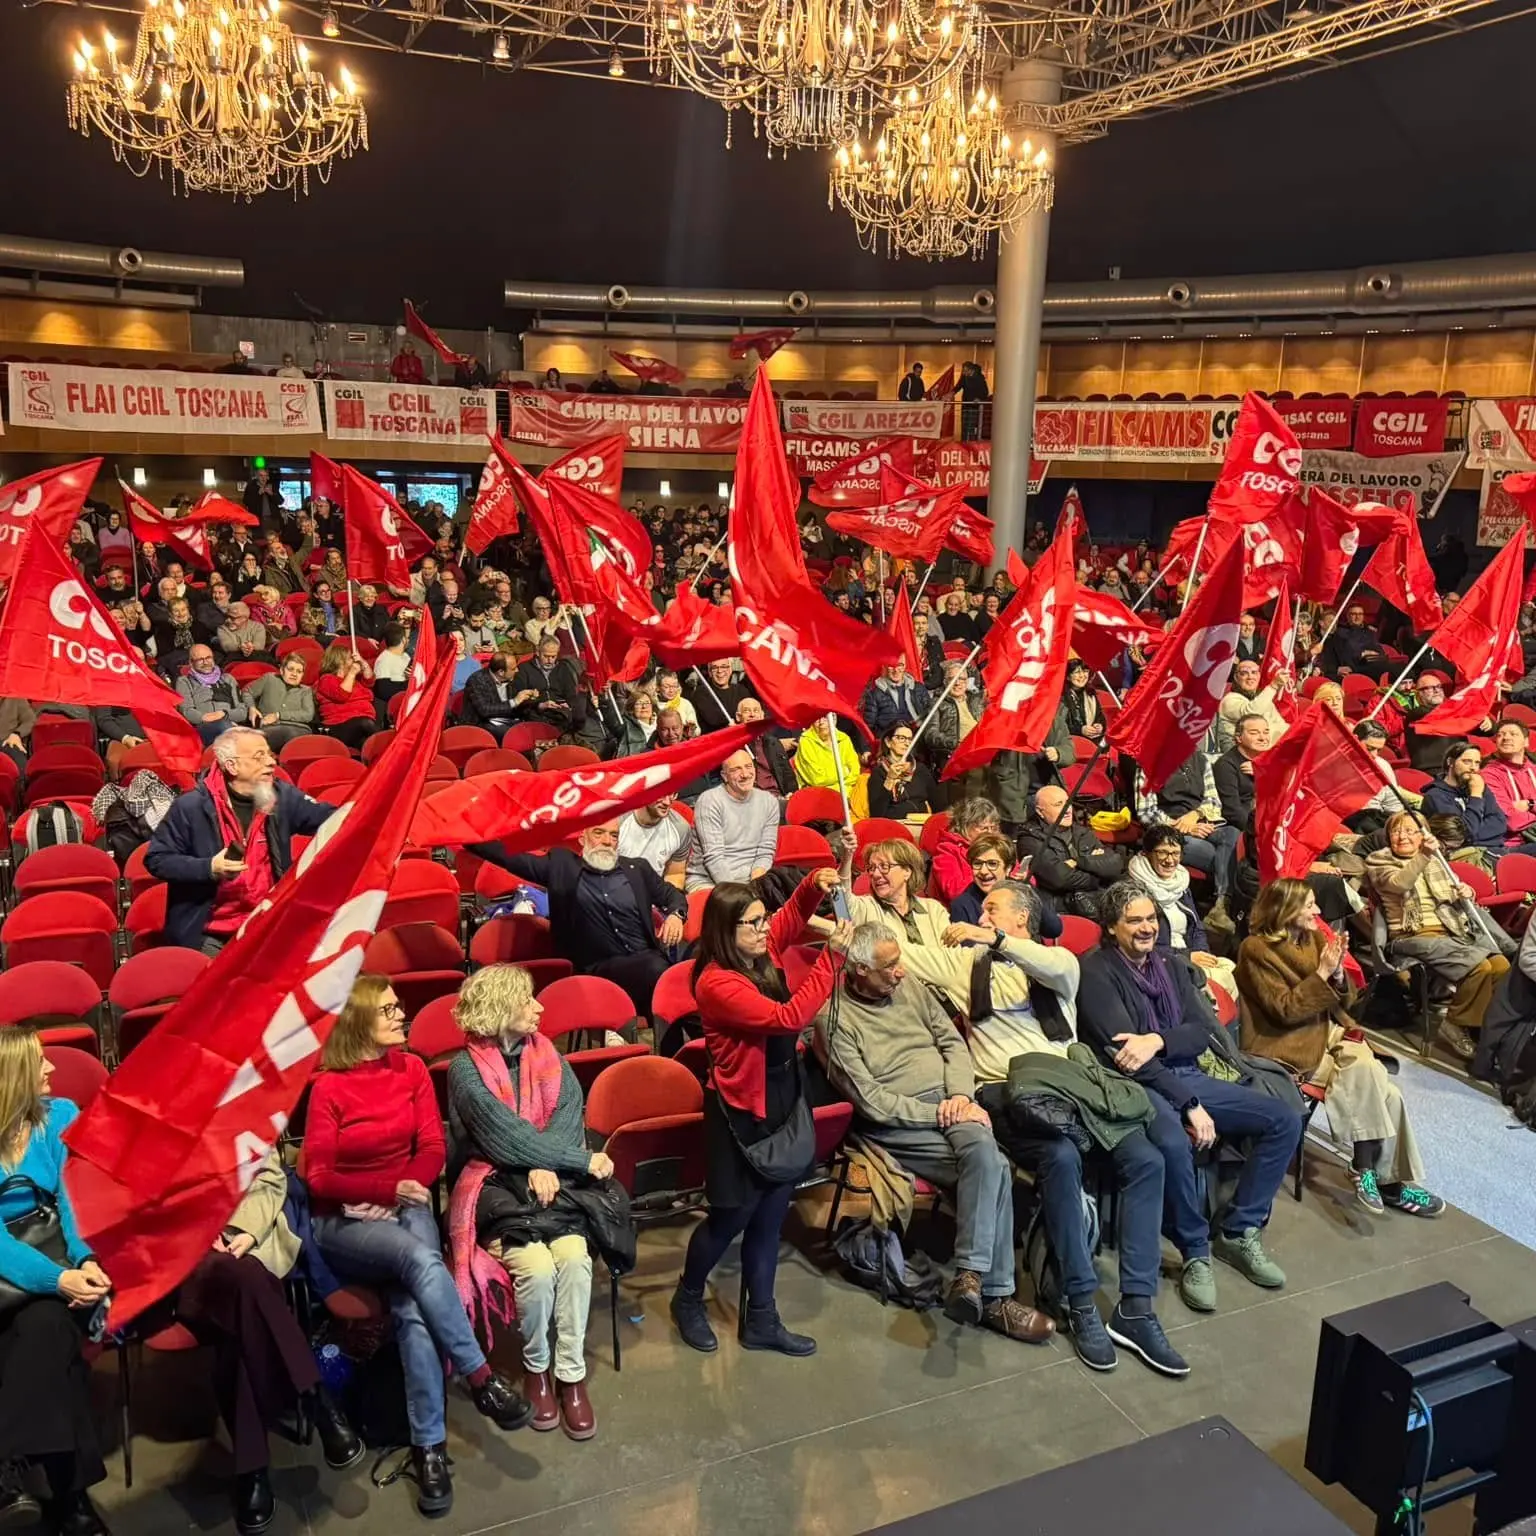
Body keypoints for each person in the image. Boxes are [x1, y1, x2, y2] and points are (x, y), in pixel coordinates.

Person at [905, 885, 1187, 1376]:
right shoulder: (966, 965)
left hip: (1072, 1085)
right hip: (1005, 1090)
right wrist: (828, 917)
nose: (980, 913)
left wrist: (991, 937)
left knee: (1147, 1159)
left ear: (1021, 921)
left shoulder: (1062, 966)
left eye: (993, 908)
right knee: (1060, 1157)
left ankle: (1136, 1308)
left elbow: (1052, 968)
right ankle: (1080, 1301)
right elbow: (894, 950)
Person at [305, 976, 532, 1516]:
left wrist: (407, 1187)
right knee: (418, 1259)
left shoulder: (410, 1071)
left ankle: (428, 1448)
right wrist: (382, 1190)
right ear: (359, 1021)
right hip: (344, 1222)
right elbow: (316, 1175)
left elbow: (431, 1144)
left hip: (405, 1206)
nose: (400, 1014)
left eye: (398, 1006)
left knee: (411, 1306)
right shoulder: (328, 1088)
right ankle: (481, 1377)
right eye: (388, 1009)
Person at [819, 924, 1054, 1343]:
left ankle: (970, 1279)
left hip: (952, 1102)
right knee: (994, 1165)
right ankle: (997, 1297)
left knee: (988, 1160)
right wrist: (941, 1112)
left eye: (899, 962)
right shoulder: (833, 1020)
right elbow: (871, 1101)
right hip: (898, 1122)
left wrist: (962, 1096)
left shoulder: (908, 987)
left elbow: (952, 1041)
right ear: (858, 969)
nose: (900, 973)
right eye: (888, 967)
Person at [1078, 884, 1301, 1314]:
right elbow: (1129, 1060)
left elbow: (1202, 1033)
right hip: (1138, 1086)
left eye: (1151, 919)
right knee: (1174, 1143)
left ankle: (1239, 1230)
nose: (1146, 928)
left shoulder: (1170, 963)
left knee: (1284, 1118)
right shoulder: (1097, 971)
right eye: (1134, 921)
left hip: (1184, 1072)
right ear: (1111, 927)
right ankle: (1195, 1249)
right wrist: (1189, 1104)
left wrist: (1158, 1039)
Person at [447, 966, 632, 1443]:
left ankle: (570, 1375)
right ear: (500, 1010)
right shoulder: (465, 1071)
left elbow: (569, 1117)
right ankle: (537, 1368)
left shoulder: (549, 1054)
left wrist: (548, 1163)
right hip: (493, 1186)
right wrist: (578, 1161)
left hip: (554, 1184)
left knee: (572, 1259)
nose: (540, 1008)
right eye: (528, 1001)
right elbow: (503, 1138)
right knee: (535, 1267)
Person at [670, 871, 847, 1357]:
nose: (765, 929)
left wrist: (815, 883)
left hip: (782, 1097)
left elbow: (790, 917)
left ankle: (762, 1320)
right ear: (727, 931)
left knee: (771, 1217)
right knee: (730, 1219)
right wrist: (831, 960)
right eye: (753, 922)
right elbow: (787, 1018)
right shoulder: (716, 982)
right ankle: (687, 1297)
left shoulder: (757, 949)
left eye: (762, 918)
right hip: (740, 1112)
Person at [173, 1148, 364, 1532]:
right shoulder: (148, 1116)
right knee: (250, 1290)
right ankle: (312, 1395)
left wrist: (243, 1229)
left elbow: (270, 1176)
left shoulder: (239, 1096)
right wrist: (202, 1228)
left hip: (246, 1243)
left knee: (242, 1315)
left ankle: (252, 1469)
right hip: (184, 1257)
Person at [1236, 879, 1444, 1218]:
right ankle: (1379, 1178)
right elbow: (1285, 1011)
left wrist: (1335, 975)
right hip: (1283, 1043)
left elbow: (1345, 999)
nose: (1317, 912)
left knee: (1371, 1074)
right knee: (1381, 1085)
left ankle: (1369, 1173)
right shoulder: (1255, 950)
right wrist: (1322, 972)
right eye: (1309, 906)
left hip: (1328, 1030)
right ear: (1286, 909)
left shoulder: (1315, 938)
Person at [0, 1030, 112, 1536]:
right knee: (47, 1331)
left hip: (54, 1267)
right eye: (40, 1062)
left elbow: (74, 1199)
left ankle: (13, 1473)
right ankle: (72, 1500)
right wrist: (57, 1279)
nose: (51, 1069)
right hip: (21, 1269)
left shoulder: (59, 1115)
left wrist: (84, 1259)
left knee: (45, 1326)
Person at [146, 726, 333, 954]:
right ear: (232, 766)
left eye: (269, 754)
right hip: (208, 932)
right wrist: (208, 868)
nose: (271, 762)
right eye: (259, 756)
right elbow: (157, 859)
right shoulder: (190, 807)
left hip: (267, 922)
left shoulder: (282, 797)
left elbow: (333, 819)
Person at [475, 820, 686, 1015]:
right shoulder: (561, 867)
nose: (607, 841)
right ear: (582, 838)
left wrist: (676, 915)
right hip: (597, 968)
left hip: (648, 961)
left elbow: (672, 895)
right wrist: (466, 834)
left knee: (692, 963)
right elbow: (508, 856)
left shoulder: (637, 868)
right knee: (661, 972)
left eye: (614, 836)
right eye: (599, 833)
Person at [1364, 811, 1512, 1060]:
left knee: (1500, 966)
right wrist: (1424, 855)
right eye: (1396, 831)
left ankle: (1477, 1028)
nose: (1402, 836)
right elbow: (1400, 884)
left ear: (1422, 835)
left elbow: (1451, 893)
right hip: (1410, 935)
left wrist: (1467, 892)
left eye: (1411, 831)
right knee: (1479, 967)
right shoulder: (1379, 861)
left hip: (1450, 929)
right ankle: (1454, 1024)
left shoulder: (1436, 861)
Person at [1126, 825, 1235, 998]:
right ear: (1147, 854)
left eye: (1175, 853)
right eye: (1162, 853)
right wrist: (1186, 957)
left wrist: (1203, 954)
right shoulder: (1133, 892)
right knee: (1223, 981)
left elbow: (1197, 927)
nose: (1170, 860)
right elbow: (1140, 946)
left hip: (1187, 955)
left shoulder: (1181, 883)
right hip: (1160, 963)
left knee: (1230, 967)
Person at [1131, 747, 1240, 917]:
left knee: (1232, 833)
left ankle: (1222, 902)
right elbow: (1146, 812)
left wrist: (1195, 815)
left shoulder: (1200, 759)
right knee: (1223, 856)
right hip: (1168, 831)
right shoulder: (1148, 763)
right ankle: (1224, 905)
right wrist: (1181, 826)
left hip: (1202, 822)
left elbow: (1214, 802)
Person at [1014, 785, 1126, 919]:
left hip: (1096, 901)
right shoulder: (1030, 839)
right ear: (1040, 811)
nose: (1067, 809)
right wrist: (1099, 875)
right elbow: (1059, 879)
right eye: (1058, 804)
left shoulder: (1082, 832)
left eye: (1068, 802)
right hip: (1060, 910)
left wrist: (1077, 861)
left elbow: (1115, 864)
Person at [686, 749, 780, 892]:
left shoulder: (769, 801)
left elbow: (766, 851)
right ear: (725, 776)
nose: (745, 774)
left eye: (748, 767)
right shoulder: (710, 801)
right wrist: (742, 895)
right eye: (736, 769)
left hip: (752, 881)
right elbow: (714, 858)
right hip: (709, 882)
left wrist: (756, 886)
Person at [1421, 741, 1509, 855]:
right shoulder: (1435, 796)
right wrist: (1476, 795)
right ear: (1450, 762)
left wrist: (1472, 836)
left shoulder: (1479, 786)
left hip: (1496, 849)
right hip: (1466, 854)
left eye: (1477, 763)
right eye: (1467, 762)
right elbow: (1463, 834)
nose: (1473, 768)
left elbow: (1500, 823)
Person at [930, 797, 1003, 904]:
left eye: (993, 828)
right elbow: (954, 892)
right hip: (964, 908)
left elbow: (1026, 877)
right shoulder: (946, 850)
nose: (989, 833)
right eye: (983, 828)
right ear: (964, 826)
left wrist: (1020, 876)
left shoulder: (998, 845)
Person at [241, 653, 316, 752]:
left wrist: (278, 715)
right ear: (281, 670)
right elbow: (247, 692)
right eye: (291, 669)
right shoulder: (269, 679)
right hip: (269, 728)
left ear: (302, 676)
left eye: (299, 671)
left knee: (291, 735)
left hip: (298, 729)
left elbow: (308, 714)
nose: (294, 674)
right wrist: (251, 707)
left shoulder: (306, 691)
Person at [176, 643, 246, 745]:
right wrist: (205, 718)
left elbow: (242, 712)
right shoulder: (184, 681)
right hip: (203, 727)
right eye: (200, 659)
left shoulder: (227, 679)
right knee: (225, 727)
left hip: (230, 723)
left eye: (208, 658)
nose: (205, 662)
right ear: (191, 663)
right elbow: (187, 711)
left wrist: (224, 714)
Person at [511, 637, 584, 733]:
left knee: (579, 715)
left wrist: (568, 704)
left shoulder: (563, 668)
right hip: (536, 710)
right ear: (537, 652)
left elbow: (571, 693)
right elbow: (518, 698)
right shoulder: (524, 669)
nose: (550, 660)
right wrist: (540, 705)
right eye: (546, 656)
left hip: (560, 709)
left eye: (553, 656)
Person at [1479, 720, 1536, 842]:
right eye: (1500, 735)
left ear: (1526, 742)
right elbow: (1509, 819)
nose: (1506, 738)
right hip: (1512, 843)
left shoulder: (1534, 770)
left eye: (1513, 734)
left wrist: (1529, 804)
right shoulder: (1489, 774)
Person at [617, 794, 691, 886]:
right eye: (661, 795)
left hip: (655, 892)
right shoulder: (617, 822)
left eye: (672, 794)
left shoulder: (680, 828)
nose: (667, 802)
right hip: (617, 888)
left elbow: (675, 874)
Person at [1214, 659, 1286, 753]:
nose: (1250, 677)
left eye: (1254, 672)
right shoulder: (1229, 700)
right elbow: (1251, 715)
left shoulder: (1262, 699)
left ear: (1259, 676)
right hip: (1245, 757)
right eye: (1244, 673)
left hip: (1274, 752)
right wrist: (1273, 686)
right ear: (1236, 677)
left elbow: (1282, 726)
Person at [868, 724, 938, 819]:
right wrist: (890, 779)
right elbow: (876, 813)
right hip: (894, 826)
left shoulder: (920, 769)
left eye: (909, 739)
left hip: (920, 824)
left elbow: (938, 804)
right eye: (901, 738)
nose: (907, 743)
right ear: (888, 742)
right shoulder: (879, 772)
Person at [314, 646, 378, 750]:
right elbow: (342, 695)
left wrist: (362, 662)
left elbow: (370, 680)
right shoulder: (326, 679)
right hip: (338, 726)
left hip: (360, 727)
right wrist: (352, 673)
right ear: (340, 661)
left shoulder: (355, 680)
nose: (353, 660)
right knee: (366, 723)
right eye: (350, 658)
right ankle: (393, 747)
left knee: (368, 747)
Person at [1214, 714, 1270, 831]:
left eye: (1266, 732)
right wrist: (1258, 833)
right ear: (1239, 738)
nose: (1262, 738)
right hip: (1246, 828)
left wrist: (1264, 772)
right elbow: (1232, 811)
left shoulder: (1272, 762)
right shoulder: (1226, 765)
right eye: (1254, 733)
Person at [736, 697, 795, 796]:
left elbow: (787, 774)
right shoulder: (736, 744)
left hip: (777, 796)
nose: (752, 714)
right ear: (738, 717)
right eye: (747, 711)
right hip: (751, 799)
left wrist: (791, 793)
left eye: (756, 711)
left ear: (762, 715)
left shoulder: (773, 742)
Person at [861, 661, 930, 742]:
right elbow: (867, 726)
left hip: (917, 736)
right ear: (886, 668)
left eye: (900, 665)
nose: (896, 670)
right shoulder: (875, 694)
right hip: (890, 739)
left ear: (904, 667)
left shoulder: (918, 688)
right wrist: (866, 749)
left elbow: (930, 713)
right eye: (891, 666)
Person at [686, 659, 755, 735]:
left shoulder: (742, 691)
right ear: (710, 672)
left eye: (724, 666)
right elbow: (714, 719)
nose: (719, 671)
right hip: (715, 741)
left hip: (742, 737)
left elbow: (752, 715)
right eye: (715, 668)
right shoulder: (701, 693)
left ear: (730, 670)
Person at [794, 715, 861, 794]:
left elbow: (855, 772)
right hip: (817, 795)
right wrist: (844, 771)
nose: (821, 722)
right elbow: (817, 779)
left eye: (825, 717)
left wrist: (837, 787)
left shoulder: (844, 738)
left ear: (834, 719)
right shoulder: (805, 741)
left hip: (847, 792)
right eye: (817, 719)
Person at [460, 652, 518, 741]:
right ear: (501, 672)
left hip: (503, 718)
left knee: (528, 726)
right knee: (512, 734)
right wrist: (515, 701)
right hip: (481, 722)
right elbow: (485, 710)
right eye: (513, 669)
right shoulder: (477, 680)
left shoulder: (510, 677)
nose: (517, 670)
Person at [1321, 602, 1386, 678]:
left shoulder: (1370, 632)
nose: (1357, 617)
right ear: (1348, 616)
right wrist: (1361, 653)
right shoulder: (1340, 633)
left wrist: (1373, 653)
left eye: (1360, 614)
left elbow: (1379, 650)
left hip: (1373, 664)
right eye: (1354, 614)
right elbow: (1345, 653)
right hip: (1356, 668)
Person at [1061, 660, 1104, 742]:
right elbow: (1060, 725)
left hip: (1093, 739)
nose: (1082, 676)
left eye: (1085, 671)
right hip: (1070, 741)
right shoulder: (1062, 697)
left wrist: (1099, 726)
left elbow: (1100, 717)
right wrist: (1080, 730)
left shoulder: (1090, 694)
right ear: (1068, 677)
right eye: (1077, 672)